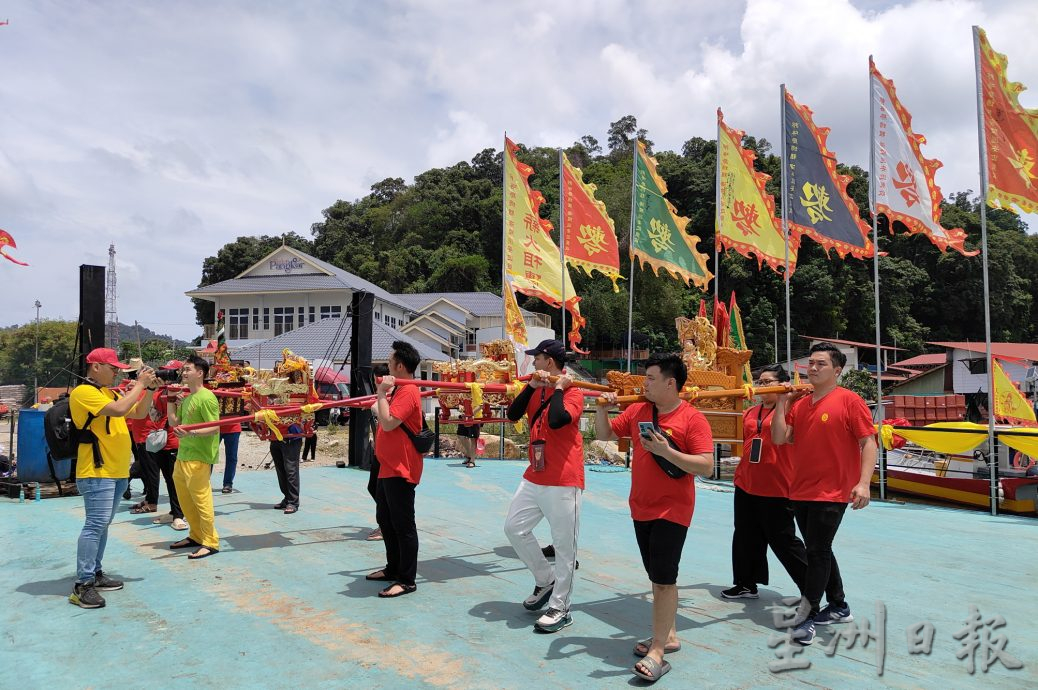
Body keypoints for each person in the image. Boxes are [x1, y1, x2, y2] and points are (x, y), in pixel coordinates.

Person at [595, 353, 714, 683]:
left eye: (649, 378)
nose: (643, 383)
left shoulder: (692, 418)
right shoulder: (638, 411)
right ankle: (670, 634)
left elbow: (706, 465)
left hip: (673, 510)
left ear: (669, 383)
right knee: (657, 575)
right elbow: (605, 436)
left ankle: (658, 652)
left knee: (663, 580)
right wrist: (603, 409)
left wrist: (666, 451)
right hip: (641, 506)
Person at [771, 342, 878, 646]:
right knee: (820, 548)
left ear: (838, 370)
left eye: (821, 364)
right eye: (811, 363)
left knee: (817, 550)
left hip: (832, 491)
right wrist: (782, 403)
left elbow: (868, 442)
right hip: (801, 488)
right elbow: (780, 437)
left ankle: (808, 616)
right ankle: (839, 605)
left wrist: (864, 483)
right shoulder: (802, 404)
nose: (813, 368)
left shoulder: (849, 401)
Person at [503, 339, 585, 633]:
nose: (532, 363)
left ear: (549, 361)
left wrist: (560, 388)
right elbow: (513, 415)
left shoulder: (574, 392)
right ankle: (545, 579)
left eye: (536, 358)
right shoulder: (537, 387)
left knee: (564, 547)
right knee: (514, 527)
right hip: (535, 474)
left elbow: (558, 419)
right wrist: (531, 387)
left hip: (564, 479)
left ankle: (561, 607)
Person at [68, 348, 157, 609]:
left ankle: (95, 573)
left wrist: (149, 389)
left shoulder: (109, 392)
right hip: (97, 472)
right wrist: (139, 383)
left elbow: (139, 413)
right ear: (95, 367)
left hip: (116, 472)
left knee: (103, 525)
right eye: (113, 367)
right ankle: (82, 585)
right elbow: (119, 410)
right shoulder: (84, 392)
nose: (117, 372)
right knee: (95, 525)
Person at [721, 364, 807, 601]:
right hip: (746, 481)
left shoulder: (793, 410)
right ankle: (746, 583)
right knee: (745, 535)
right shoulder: (750, 412)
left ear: (782, 384)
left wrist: (787, 401)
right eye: (760, 381)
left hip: (778, 485)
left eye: (767, 382)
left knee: (784, 540)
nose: (761, 386)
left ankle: (812, 588)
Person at [367, 342, 424, 597]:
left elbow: (388, 423)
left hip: (401, 467)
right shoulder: (397, 390)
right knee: (385, 520)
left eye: (390, 363)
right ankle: (393, 568)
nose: (387, 366)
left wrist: (380, 394)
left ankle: (407, 579)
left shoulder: (409, 391)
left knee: (403, 524)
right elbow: (379, 412)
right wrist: (382, 399)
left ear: (400, 366)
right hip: (387, 465)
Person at [168, 356, 222, 560]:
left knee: (201, 500)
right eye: (183, 370)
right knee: (186, 500)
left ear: (200, 373)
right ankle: (196, 535)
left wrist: (191, 433)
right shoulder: (188, 397)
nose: (183, 373)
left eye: (188, 369)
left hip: (199, 457)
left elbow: (215, 427)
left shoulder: (207, 397)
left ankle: (210, 541)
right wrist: (170, 399)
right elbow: (174, 422)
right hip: (183, 455)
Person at [149, 361, 188, 531]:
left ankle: (179, 515)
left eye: (170, 373)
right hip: (163, 442)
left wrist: (178, 398)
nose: (166, 376)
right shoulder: (158, 392)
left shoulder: (184, 391)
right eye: (164, 372)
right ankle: (174, 512)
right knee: (168, 479)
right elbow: (154, 416)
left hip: (176, 441)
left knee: (176, 482)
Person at [366, 363, 390, 541]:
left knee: (382, 491)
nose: (376, 386)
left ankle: (386, 525)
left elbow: (387, 421)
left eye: (377, 382)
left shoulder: (393, 396)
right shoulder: (381, 397)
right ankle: (386, 523)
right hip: (378, 449)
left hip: (388, 453)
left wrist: (376, 404)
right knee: (373, 487)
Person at [270, 424, 302, 514]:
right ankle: (287, 498)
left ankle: (293, 502)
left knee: (291, 470)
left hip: (290, 436)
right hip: (275, 437)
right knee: (280, 470)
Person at [219, 419, 242, 493]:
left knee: (231, 457)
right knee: (210, 456)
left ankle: (228, 483)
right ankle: (206, 481)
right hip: (214, 427)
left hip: (233, 427)